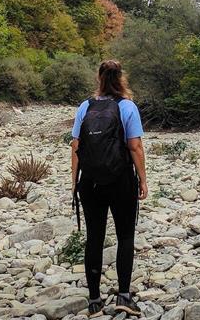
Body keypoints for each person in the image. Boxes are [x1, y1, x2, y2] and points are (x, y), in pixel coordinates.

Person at [70, 60, 148, 317]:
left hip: (90, 181)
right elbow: (135, 146)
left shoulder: (85, 107)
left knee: (94, 237)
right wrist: (143, 180)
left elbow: (76, 147)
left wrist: (75, 183)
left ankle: (94, 301)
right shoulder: (127, 107)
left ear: (99, 78)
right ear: (121, 78)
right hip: (120, 180)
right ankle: (124, 297)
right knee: (125, 236)